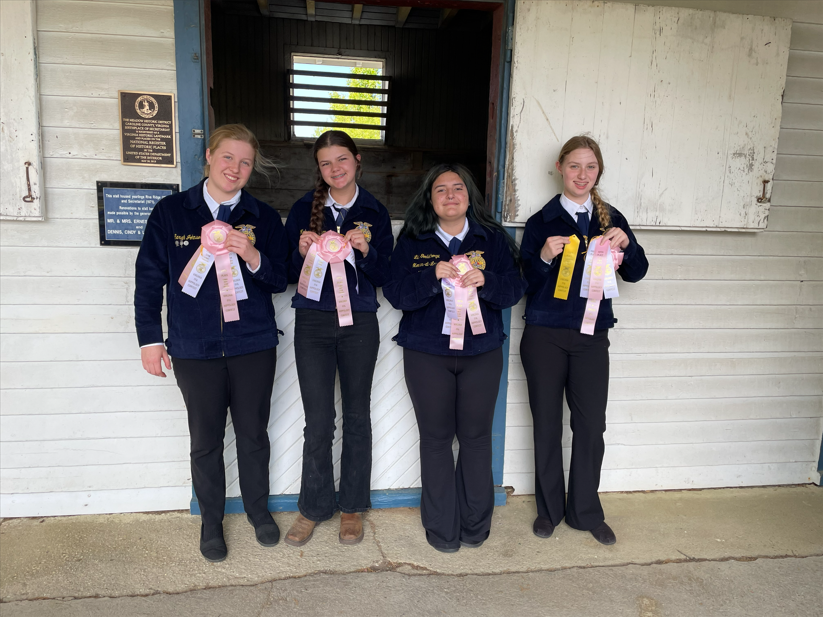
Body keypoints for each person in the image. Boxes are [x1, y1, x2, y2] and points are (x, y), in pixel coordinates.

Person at [135, 124, 288, 562]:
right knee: (204, 441)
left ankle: (259, 513)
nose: (235, 169)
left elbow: (280, 279)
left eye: (245, 162)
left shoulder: (262, 216)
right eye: (227, 158)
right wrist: (150, 340)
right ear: (209, 157)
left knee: (253, 435)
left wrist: (253, 255)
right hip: (192, 348)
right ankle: (211, 522)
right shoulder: (171, 212)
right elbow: (149, 281)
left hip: (253, 345)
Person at [383, 164, 525, 553]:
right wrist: (431, 278)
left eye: (457, 188)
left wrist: (487, 281)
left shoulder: (492, 239)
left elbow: (514, 289)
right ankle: (442, 528)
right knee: (435, 440)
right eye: (440, 189)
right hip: (427, 354)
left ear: (469, 196)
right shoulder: (412, 240)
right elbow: (395, 294)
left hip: (481, 353)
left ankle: (476, 526)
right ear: (429, 199)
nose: (449, 195)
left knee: (477, 440)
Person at [519, 135, 649, 546]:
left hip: (593, 337)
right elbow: (521, 282)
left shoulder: (611, 219)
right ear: (560, 167)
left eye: (590, 167)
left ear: (599, 172)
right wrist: (541, 257)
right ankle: (549, 510)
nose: (582, 174)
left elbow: (637, 273)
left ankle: (585, 511)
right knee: (546, 425)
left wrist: (628, 248)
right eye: (574, 166)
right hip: (545, 335)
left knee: (591, 426)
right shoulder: (542, 221)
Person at [283, 130, 393, 547]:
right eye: (326, 163)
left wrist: (367, 252)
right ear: (319, 168)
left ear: (358, 159)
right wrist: (299, 250)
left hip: (360, 323)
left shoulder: (375, 211)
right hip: (311, 322)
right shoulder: (301, 209)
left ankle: (351, 507)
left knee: (356, 417)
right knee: (318, 421)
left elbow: (386, 277)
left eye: (342, 160)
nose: (335, 169)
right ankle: (313, 507)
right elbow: (287, 274)